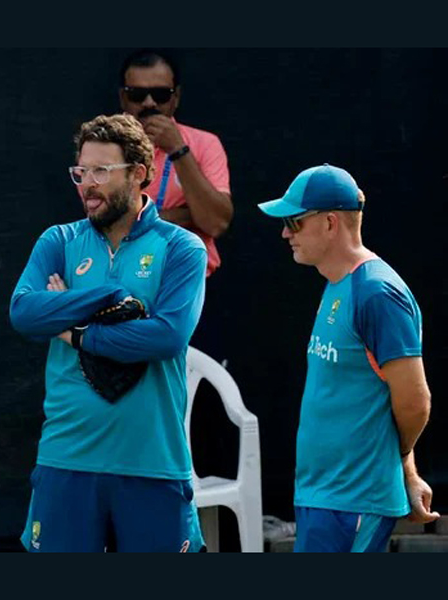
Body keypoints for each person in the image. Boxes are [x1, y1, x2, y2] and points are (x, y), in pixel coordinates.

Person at [9, 113, 207, 552]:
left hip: (153, 463)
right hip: (67, 459)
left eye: (101, 171)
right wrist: (107, 295)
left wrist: (75, 330)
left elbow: (166, 337)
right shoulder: (58, 241)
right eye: (81, 171)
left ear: (138, 175)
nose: (87, 184)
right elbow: (23, 312)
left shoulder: (181, 247)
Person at [258, 163, 439, 552]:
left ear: (329, 222)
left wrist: (399, 464)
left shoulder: (376, 293)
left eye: (294, 221)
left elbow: (414, 402)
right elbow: (378, 393)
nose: (285, 232)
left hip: (353, 500)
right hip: (324, 496)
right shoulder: (339, 285)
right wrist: (406, 469)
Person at [119, 49, 232, 278]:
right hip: (124, 278)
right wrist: (188, 216)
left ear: (176, 97)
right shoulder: (104, 145)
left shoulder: (204, 143)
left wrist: (178, 150)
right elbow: (113, 221)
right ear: (123, 97)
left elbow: (216, 223)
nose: (149, 103)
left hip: (188, 281)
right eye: (137, 94)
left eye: (161, 95)